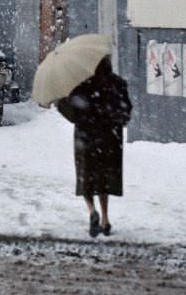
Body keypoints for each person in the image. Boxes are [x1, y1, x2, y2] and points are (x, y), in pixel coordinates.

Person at [56, 56, 132, 238]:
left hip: (86, 137)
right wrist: (114, 120)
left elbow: (69, 110)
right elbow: (126, 110)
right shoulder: (118, 83)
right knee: (105, 178)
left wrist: (63, 102)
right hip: (110, 138)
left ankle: (92, 211)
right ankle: (105, 218)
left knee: (87, 177)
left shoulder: (82, 85)